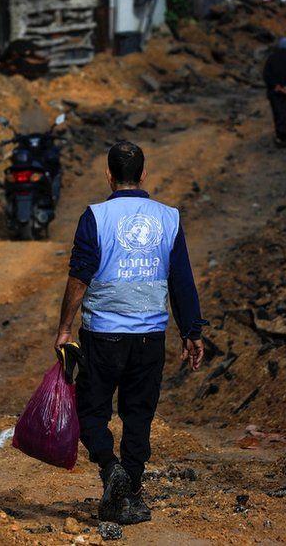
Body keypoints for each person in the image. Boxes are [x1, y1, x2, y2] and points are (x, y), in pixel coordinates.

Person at [55, 141, 206, 525]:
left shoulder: (95, 216)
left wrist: (64, 328)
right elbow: (182, 280)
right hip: (149, 337)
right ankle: (130, 494)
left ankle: (111, 469)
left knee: (91, 411)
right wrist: (192, 331)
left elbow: (79, 277)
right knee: (139, 416)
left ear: (108, 175)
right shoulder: (168, 218)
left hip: (102, 335)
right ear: (143, 174)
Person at [262, 38, 286, 147]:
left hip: (275, 92)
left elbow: (266, 75)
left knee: (278, 113)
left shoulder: (271, 58)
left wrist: (276, 86)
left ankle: (280, 136)